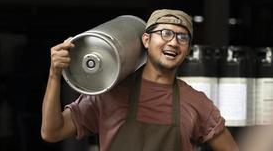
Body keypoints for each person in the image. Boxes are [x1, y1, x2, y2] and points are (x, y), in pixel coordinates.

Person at [41, 9, 239, 151]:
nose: (173, 42)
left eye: (182, 37)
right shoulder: (110, 93)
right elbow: (52, 132)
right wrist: (54, 75)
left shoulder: (197, 103)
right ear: (146, 40)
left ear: (187, 50)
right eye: (165, 33)